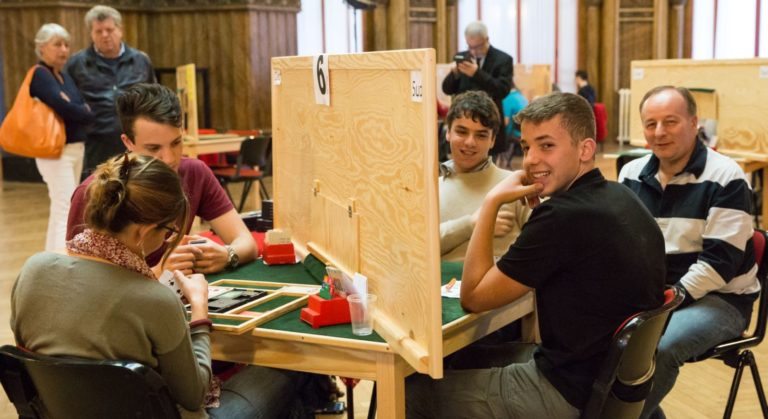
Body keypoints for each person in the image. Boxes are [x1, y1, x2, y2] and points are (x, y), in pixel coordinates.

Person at [407, 92, 666, 418]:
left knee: (413, 389)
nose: (530, 160)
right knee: (456, 362)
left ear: (585, 149)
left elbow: (472, 297)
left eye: (546, 146)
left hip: (565, 392)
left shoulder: (562, 216)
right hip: (612, 387)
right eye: (527, 147)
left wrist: (490, 204)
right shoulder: (621, 197)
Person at [12, 154, 315, 418]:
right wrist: (198, 311)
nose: (170, 239)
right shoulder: (153, 299)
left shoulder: (32, 270)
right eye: (169, 231)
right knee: (290, 366)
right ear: (142, 232)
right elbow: (194, 395)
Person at [618, 86, 760, 419]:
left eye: (670, 121)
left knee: (659, 347)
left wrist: (666, 300)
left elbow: (718, 265)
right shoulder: (630, 174)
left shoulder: (727, 177)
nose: (659, 132)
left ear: (695, 122)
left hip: (721, 299)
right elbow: (620, 244)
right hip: (657, 295)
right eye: (650, 124)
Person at [67, 83, 256, 276]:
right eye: (153, 148)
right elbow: (81, 282)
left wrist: (228, 254)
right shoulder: (96, 191)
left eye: (176, 143)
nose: (170, 158)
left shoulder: (195, 172)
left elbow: (246, 242)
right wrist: (159, 273)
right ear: (127, 142)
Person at [65, 5, 156, 178]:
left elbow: (153, 100)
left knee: (138, 196)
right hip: (93, 146)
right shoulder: (76, 64)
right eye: (98, 31)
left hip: (135, 143)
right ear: (91, 34)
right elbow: (69, 104)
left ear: (120, 30)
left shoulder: (141, 61)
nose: (105, 35)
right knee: (95, 198)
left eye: (109, 29)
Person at [439, 91, 529, 262]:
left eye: (481, 135)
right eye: (462, 132)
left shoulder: (515, 186)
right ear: (448, 132)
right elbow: (418, 246)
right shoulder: (431, 189)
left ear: (493, 140)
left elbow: (544, 248)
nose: (470, 142)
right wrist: (471, 225)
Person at [28, 23, 92, 252]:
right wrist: (77, 108)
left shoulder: (63, 76)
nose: (64, 49)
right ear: (41, 48)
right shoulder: (40, 74)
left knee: (61, 207)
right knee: (67, 207)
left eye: (66, 44)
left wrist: (76, 106)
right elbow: (71, 109)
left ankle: (51, 256)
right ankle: (61, 262)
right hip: (55, 151)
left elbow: (78, 105)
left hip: (74, 148)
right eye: (57, 44)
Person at [442, 21, 513, 159]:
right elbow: (447, 89)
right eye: (470, 46)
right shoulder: (463, 56)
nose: (473, 51)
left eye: (478, 47)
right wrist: (454, 74)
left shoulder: (503, 59)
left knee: (489, 168)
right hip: (463, 118)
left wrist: (477, 73)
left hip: (489, 120)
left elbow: (502, 90)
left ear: (486, 40)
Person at [501, 87, 528, 159]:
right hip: (525, 132)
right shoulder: (523, 98)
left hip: (513, 134)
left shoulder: (508, 99)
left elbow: (505, 122)